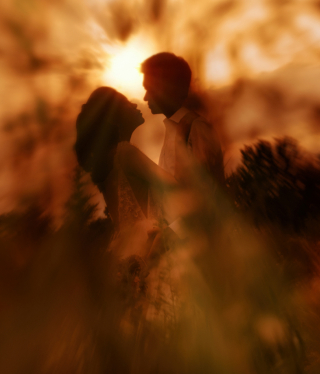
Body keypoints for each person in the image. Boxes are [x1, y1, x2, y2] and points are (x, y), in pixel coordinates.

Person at [74, 87, 176, 262]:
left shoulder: (109, 163)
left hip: (130, 249)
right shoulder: (125, 153)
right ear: (115, 116)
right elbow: (174, 185)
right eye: (127, 103)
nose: (135, 104)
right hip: (152, 243)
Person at [141, 52, 225, 187]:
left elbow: (207, 193)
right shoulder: (173, 128)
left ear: (169, 89)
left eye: (150, 89)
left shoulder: (197, 128)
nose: (145, 97)